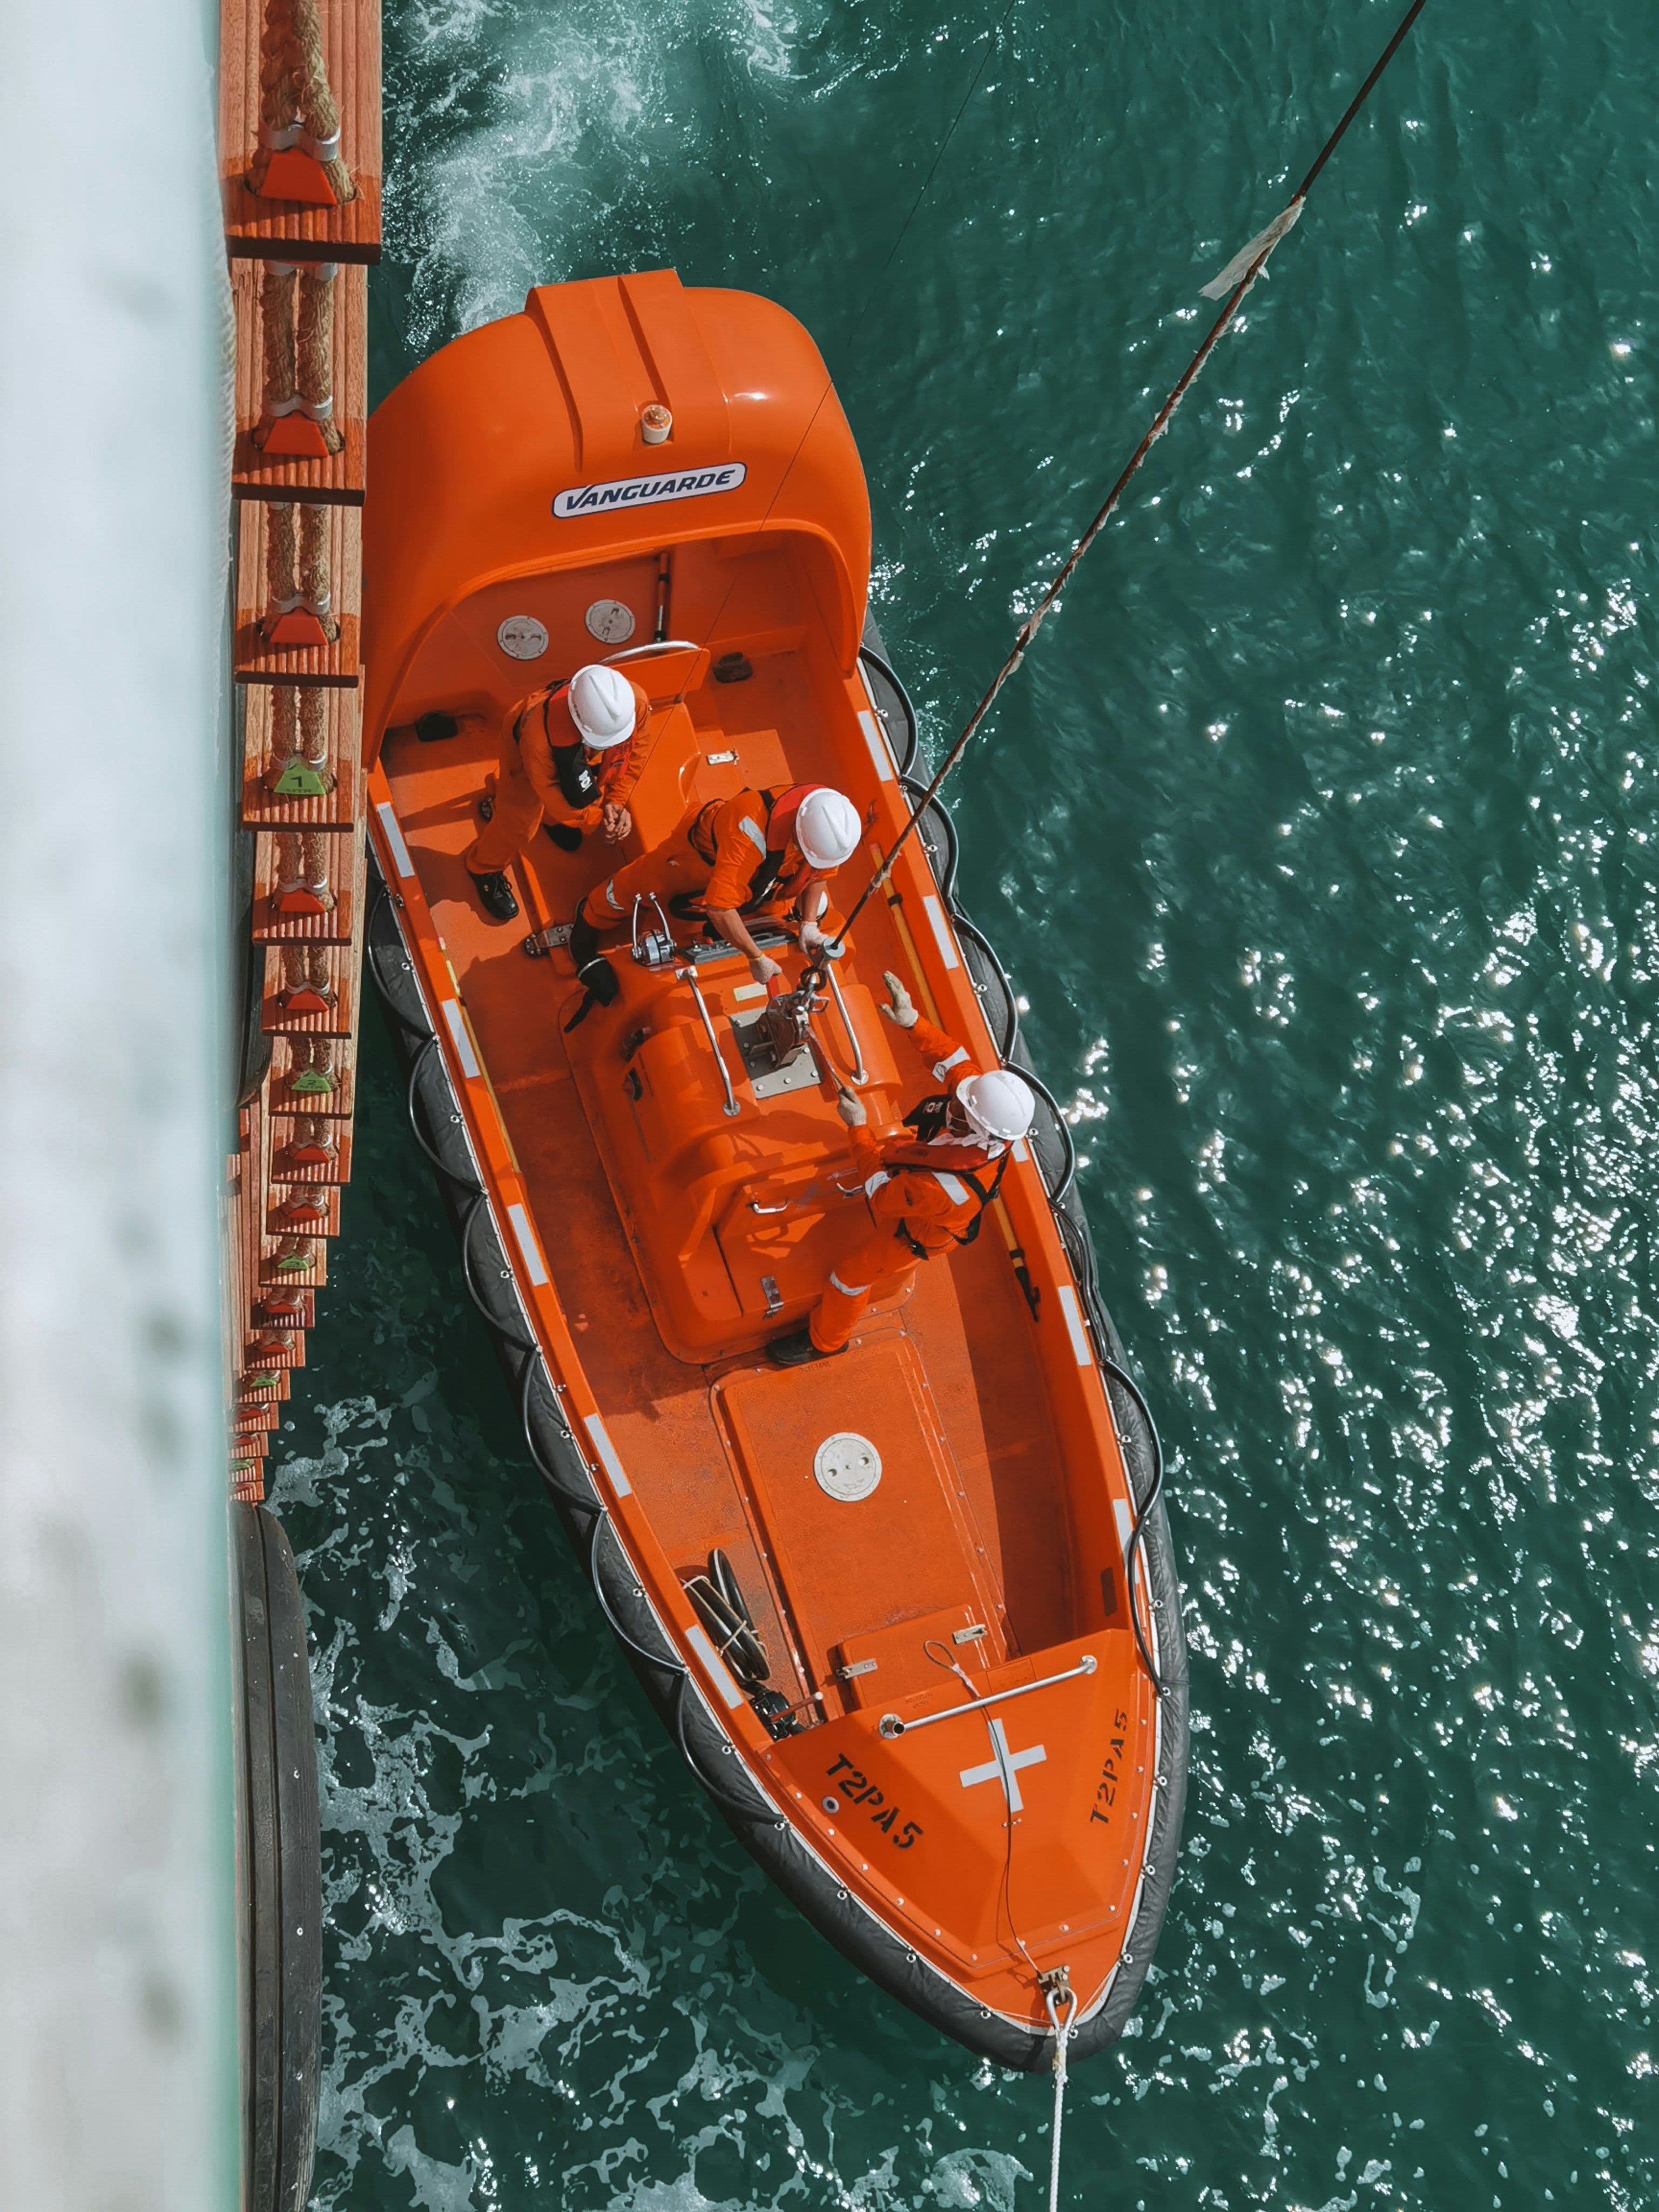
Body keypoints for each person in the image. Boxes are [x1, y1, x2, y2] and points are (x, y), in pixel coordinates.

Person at [768, 971, 1036, 1365]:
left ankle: (825, 1342)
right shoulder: (982, 1109)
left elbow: (882, 1195)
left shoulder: (946, 1188)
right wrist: (912, 1020)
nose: (954, 1103)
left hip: (918, 1230)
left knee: (850, 1275)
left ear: (982, 1131)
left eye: (962, 1110)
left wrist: (857, 1128)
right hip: (919, 1171)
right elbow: (952, 1059)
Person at [565, 783, 862, 1006]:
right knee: (634, 887)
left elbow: (818, 874)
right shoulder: (750, 827)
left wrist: (809, 924)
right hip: (696, 859)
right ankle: (590, 915)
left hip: (761, 881)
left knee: (737, 917)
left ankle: (721, 935)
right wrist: (755, 956)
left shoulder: (828, 827)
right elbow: (719, 907)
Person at [466, 662, 651, 922]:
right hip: (525, 755)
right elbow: (553, 796)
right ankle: (484, 867)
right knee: (518, 820)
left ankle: (551, 823)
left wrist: (616, 802)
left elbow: (636, 752)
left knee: (563, 805)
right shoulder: (538, 741)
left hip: (575, 755)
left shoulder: (634, 704)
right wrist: (597, 820)